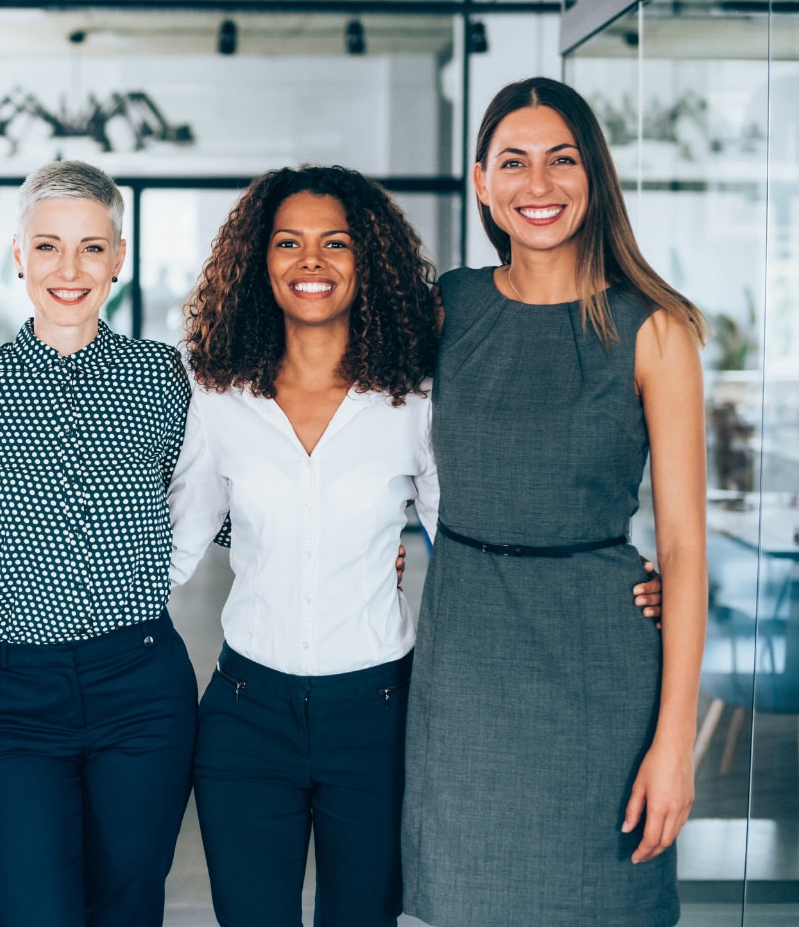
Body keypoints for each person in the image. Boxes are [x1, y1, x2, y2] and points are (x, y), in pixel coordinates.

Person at [402, 77, 708, 927]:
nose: (539, 186)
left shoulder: (654, 328)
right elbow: (357, 429)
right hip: (465, 663)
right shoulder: (446, 308)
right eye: (514, 162)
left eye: (561, 160)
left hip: (598, 665)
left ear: (594, 174)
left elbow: (683, 547)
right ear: (482, 183)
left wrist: (675, 745)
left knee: (603, 902)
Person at [0, 160, 207, 927]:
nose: (70, 268)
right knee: (33, 911)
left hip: (141, 689)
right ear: (18, 255)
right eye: (48, 246)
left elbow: (220, 503)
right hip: (12, 699)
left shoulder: (164, 378)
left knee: (127, 909)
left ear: (119, 259)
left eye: (92, 248)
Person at [174, 165, 440, 927]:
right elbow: (176, 544)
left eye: (336, 243)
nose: (311, 262)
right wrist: (35, 616)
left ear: (370, 260)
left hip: (378, 718)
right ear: (260, 260)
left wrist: (596, 577)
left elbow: (464, 537)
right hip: (246, 716)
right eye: (289, 243)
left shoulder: (412, 398)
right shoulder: (218, 395)